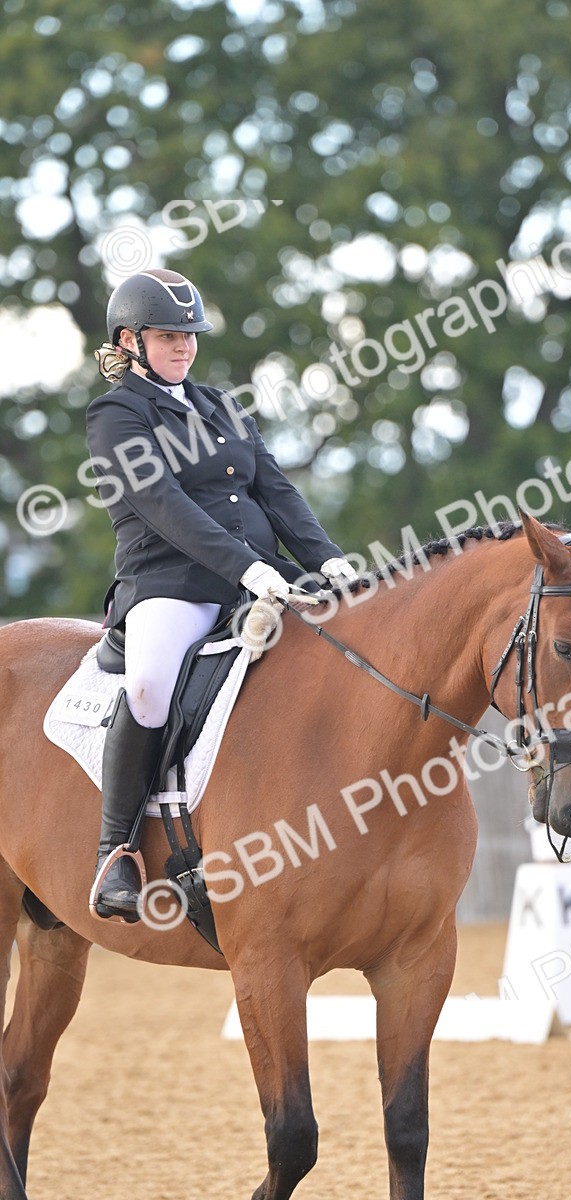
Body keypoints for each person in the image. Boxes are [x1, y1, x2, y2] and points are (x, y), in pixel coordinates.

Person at [87, 267, 356, 922]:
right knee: (150, 685)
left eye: (190, 335)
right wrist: (246, 567)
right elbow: (161, 503)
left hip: (263, 573)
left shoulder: (222, 407)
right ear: (130, 340)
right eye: (168, 335)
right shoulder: (116, 413)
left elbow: (278, 491)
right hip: (168, 584)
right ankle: (117, 850)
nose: (183, 346)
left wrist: (329, 559)